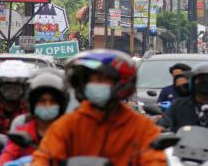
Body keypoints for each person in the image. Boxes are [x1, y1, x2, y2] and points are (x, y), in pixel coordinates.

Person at [32, 49, 166, 166]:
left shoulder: (141, 128)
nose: (96, 85)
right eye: (93, 80)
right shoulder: (68, 126)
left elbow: (155, 160)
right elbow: (44, 157)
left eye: (103, 80)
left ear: (120, 84)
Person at [0, 68, 69, 165]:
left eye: (52, 101)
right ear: (33, 104)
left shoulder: (69, 131)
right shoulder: (22, 131)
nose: (47, 105)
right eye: (42, 101)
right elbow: (7, 156)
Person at [0, 60, 32, 134]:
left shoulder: (28, 109)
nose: (11, 92)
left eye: (16, 88)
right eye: (7, 87)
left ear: (24, 89)